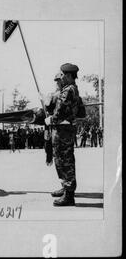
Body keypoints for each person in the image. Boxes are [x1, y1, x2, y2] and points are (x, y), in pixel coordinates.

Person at [45, 63, 81, 206]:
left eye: (63, 75)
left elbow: (60, 112)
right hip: (64, 130)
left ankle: (69, 195)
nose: (62, 78)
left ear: (68, 75)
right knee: (63, 160)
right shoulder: (72, 89)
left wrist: (50, 119)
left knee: (65, 161)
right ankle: (66, 188)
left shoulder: (68, 91)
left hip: (62, 131)